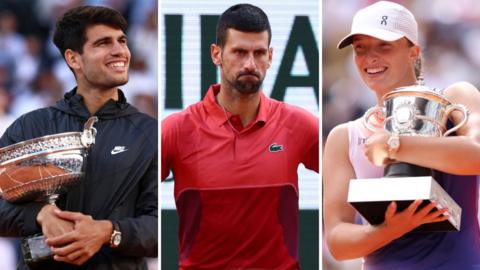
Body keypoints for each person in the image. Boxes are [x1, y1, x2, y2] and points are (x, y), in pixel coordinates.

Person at [323, 1, 480, 269]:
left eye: (384, 46)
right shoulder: (344, 136)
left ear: (413, 52)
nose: (370, 58)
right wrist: (389, 229)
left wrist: (396, 144)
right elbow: (337, 240)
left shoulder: (455, 98)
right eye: (360, 48)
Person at [161, 3, 318, 269]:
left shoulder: (299, 125)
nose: (250, 63)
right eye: (239, 52)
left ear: (270, 57)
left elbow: (344, 176)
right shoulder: (176, 130)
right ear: (216, 54)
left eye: (258, 53)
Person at [0, 6, 157, 269]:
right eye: (103, 43)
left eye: (122, 41)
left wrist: (109, 232)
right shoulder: (31, 126)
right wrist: (40, 215)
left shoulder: (150, 134)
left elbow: (165, 224)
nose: (120, 51)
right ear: (74, 59)